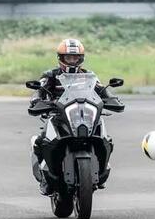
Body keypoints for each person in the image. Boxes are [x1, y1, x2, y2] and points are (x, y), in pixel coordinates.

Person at [30, 38, 123, 194]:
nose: (72, 61)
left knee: (107, 140)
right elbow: (38, 92)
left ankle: (101, 169)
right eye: (68, 57)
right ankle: (45, 178)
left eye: (75, 58)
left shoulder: (89, 76)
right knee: (41, 142)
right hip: (59, 116)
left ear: (81, 58)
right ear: (61, 58)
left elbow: (102, 91)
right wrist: (37, 101)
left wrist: (112, 99)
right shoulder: (50, 75)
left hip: (86, 115)